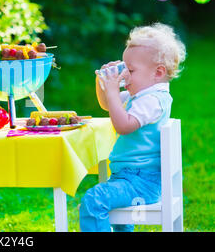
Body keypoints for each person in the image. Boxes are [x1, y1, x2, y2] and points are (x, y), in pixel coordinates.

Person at [79, 23, 186, 232]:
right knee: (115, 216)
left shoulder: (153, 100)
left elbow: (123, 126)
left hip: (141, 182)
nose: (125, 76)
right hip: (130, 177)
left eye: (130, 70)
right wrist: (102, 82)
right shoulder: (142, 94)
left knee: (94, 199)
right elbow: (107, 105)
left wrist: (111, 91)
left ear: (158, 72)